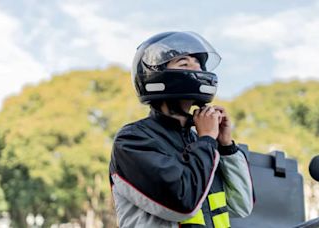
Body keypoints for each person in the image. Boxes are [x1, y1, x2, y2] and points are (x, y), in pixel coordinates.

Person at [109, 31, 254, 227]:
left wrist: (226, 146)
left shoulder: (200, 142)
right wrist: (207, 141)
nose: (197, 69)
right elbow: (183, 203)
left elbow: (241, 206)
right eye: (184, 63)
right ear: (155, 76)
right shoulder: (134, 139)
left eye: (198, 63)